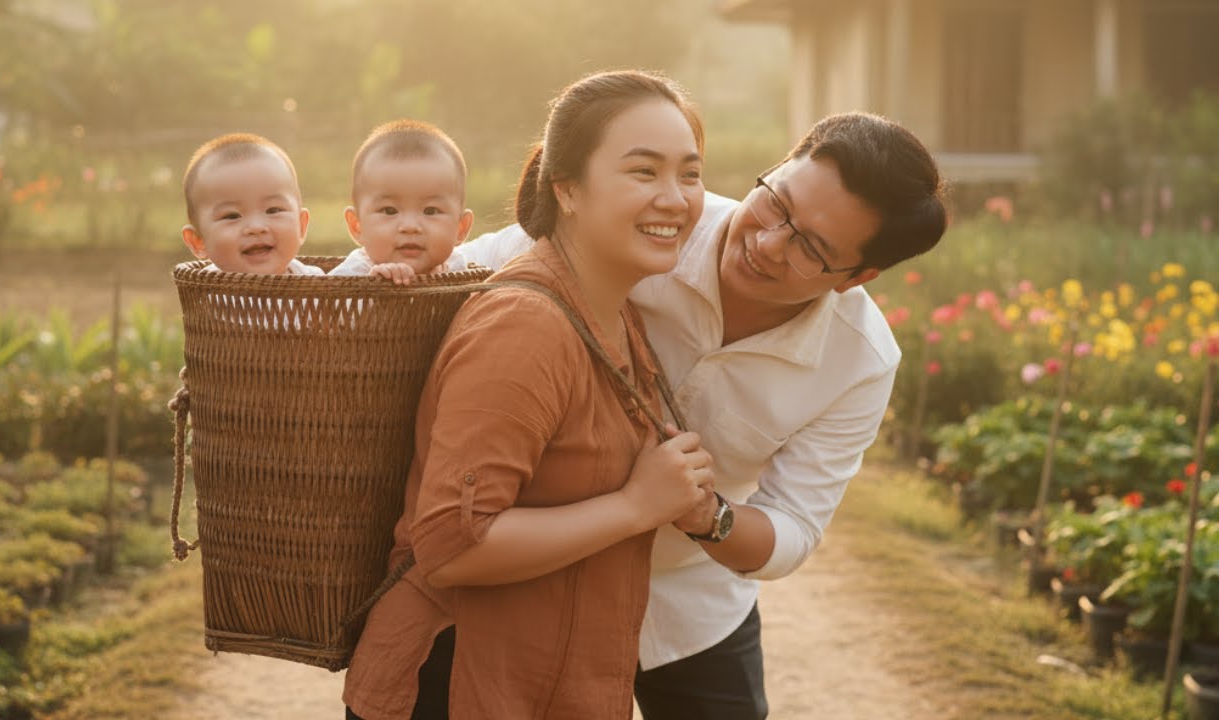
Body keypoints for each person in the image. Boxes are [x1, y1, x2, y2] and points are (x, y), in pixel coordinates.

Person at [459, 110, 949, 719]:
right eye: (777, 205)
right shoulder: (654, 223)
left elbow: (793, 529)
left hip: (688, 598)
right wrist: (317, 286)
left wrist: (704, 514)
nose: (768, 244)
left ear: (859, 277)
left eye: (811, 248)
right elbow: (467, 265)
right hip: (536, 567)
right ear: (771, 171)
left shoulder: (861, 361)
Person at [342, 70, 715, 719]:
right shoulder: (526, 326)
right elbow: (453, 543)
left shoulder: (616, 313)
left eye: (689, 173)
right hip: (459, 685)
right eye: (644, 172)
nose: (675, 198)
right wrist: (635, 505)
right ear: (567, 189)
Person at [329, 120, 475, 284]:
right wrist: (374, 292)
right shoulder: (349, 276)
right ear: (357, 226)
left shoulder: (458, 270)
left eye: (431, 211)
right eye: (389, 211)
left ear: (460, 228)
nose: (410, 226)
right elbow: (327, 308)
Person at [180, 133, 322, 275]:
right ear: (198, 241)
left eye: (273, 210)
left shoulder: (319, 285)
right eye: (232, 216)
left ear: (301, 225)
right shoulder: (204, 292)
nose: (256, 227)